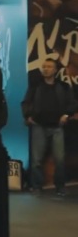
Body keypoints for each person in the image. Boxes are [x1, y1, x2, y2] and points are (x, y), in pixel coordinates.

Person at [22, 58, 77, 197]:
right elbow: (26, 102)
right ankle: (36, 186)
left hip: (57, 127)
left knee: (59, 159)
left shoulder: (64, 86)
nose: (45, 69)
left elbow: (72, 103)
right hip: (39, 125)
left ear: (55, 70)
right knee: (36, 160)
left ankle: (60, 186)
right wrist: (28, 116)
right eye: (44, 66)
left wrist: (66, 115)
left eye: (49, 66)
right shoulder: (35, 86)